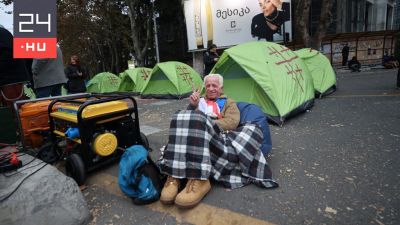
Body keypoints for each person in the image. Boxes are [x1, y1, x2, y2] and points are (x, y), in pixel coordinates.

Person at [158, 74, 277, 209]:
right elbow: (186, 123)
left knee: (197, 120)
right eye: (208, 86)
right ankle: (174, 176)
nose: (211, 88)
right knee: (178, 115)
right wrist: (192, 106)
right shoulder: (200, 101)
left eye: (214, 85)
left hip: (218, 137)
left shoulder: (228, 102)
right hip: (197, 136)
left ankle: (200, 180)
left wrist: (207, 122)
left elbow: (232, 122)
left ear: (221, 88)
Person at [0, 25, 30, 107]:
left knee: (14, 108)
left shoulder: (2, 34)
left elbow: (8, 53)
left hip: (10, 79)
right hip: (10, 78)